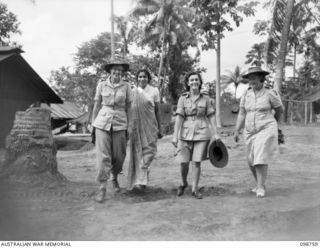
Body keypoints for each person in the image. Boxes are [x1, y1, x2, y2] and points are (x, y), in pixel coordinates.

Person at [234, 66, 284, 198]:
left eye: (254, 77)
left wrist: (274, 124)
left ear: (261, 78)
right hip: (250, 130)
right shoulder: (246, 94)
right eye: (250, 78)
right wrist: (237, 130)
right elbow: (242, 113)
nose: (252, 80)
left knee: (260, 157)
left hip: (266, 128)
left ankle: (260, 188)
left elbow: (279, 110)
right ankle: (259, 183)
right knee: (250, 160)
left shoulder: (270, 93)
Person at [172, 72, 220, 199]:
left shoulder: (206, 99)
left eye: (196, 80)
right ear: (188, 83)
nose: (194, 82)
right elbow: (179, 118)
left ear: (200, 82)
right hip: (185, 133)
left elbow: (211, 116)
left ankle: (195, 188)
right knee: (183, 162)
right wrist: (175, 136)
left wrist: (216, 134)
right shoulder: (182, 98)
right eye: (191, 80)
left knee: (197, 162)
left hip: (202, 133)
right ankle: (183, 183)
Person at [91, 60, 132, 203]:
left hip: (120, 123)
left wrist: (130, 125)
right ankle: (102, 187)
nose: (117, 72)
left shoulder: (126, 86)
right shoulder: (101, 84)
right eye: (114, 70)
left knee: (119, 156)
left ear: (122, 72)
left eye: (120, 70)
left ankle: (114, 177)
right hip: (102, 123)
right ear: (110, 71)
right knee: (103, 156)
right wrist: (92, 124)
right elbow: (96, 105)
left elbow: (129, 107)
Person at [127, 69, 162, 190]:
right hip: (136, 128)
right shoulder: (133, 92)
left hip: (150, 127)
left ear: (148, 78)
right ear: (137, 79)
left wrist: (160, 128)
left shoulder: (154, 91)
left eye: (145, 77)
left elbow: (157, 110)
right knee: (138, 154)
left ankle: (142, 176)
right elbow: (129, 110)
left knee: (150, 153)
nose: (142, 79)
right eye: (140, 77)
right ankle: (141, 181)